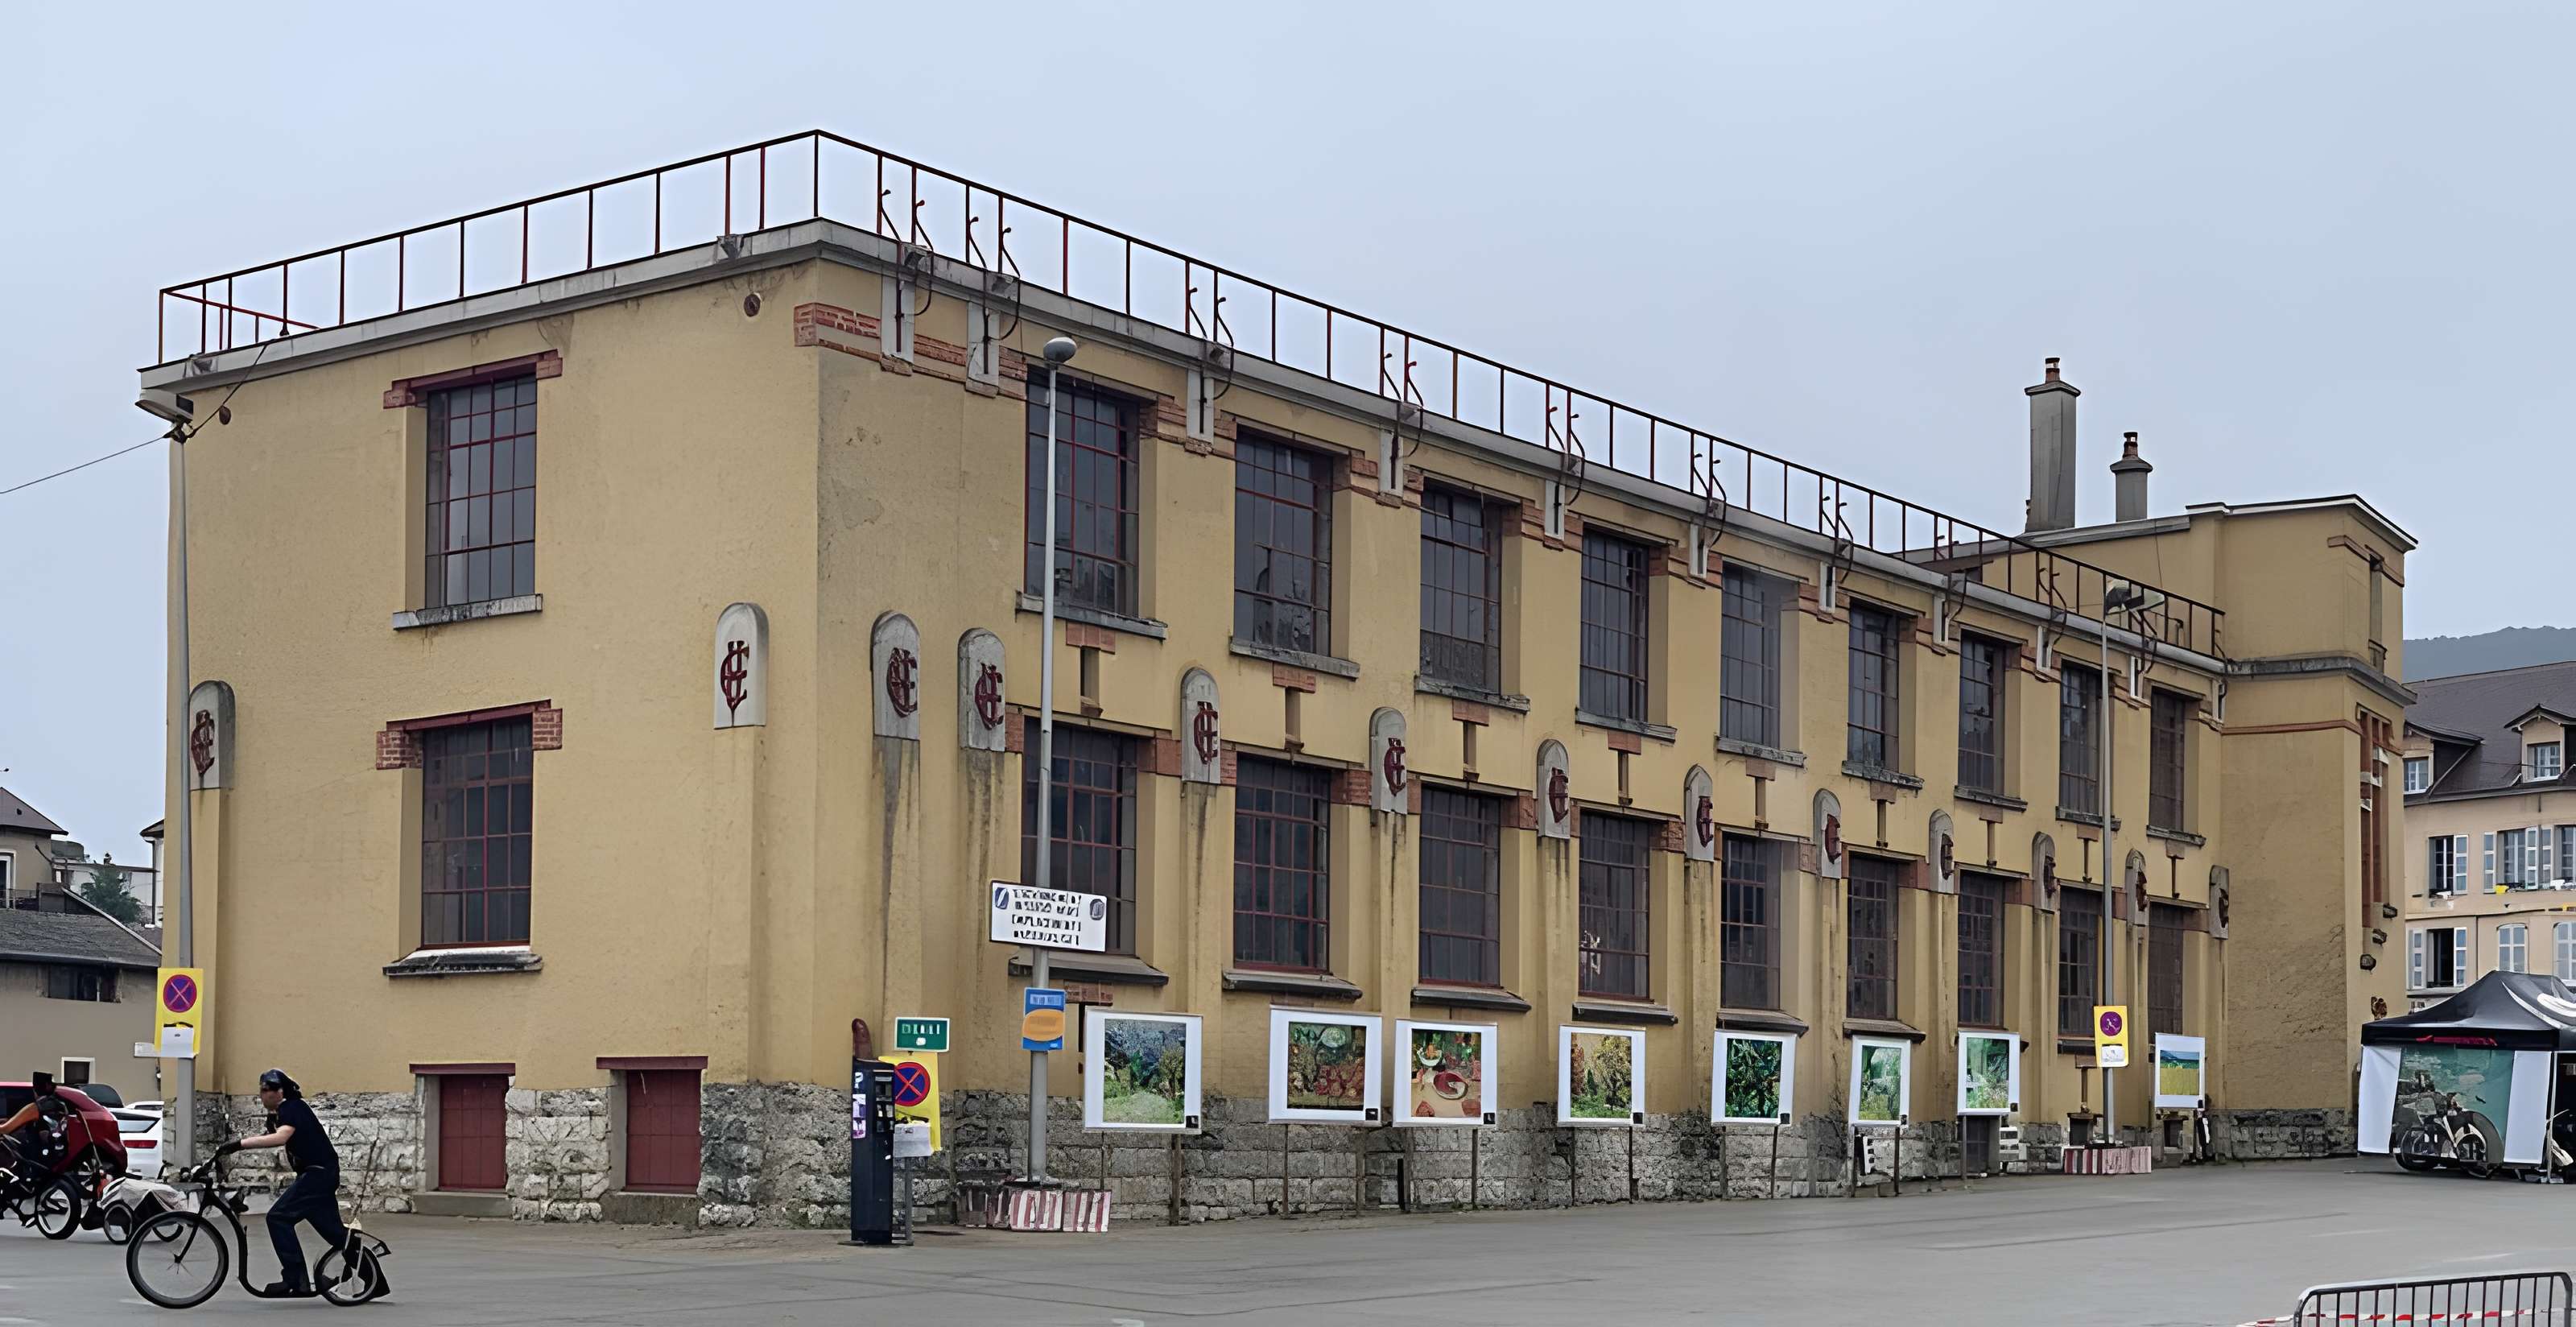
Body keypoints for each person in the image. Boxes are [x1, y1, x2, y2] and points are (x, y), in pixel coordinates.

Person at [217, 1069, 345, 1298]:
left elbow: (281, 1137)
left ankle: (295, 1280)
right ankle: (373, 1279)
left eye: (266, 1090)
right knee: (334, 1232)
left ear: (281, 1092)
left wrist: (238, 1144)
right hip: (320, 1175)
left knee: (278, 1217)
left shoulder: (292, 1107)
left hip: (317, 1175)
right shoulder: (286, 1111)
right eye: (261, 1090)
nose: (262, 1095)